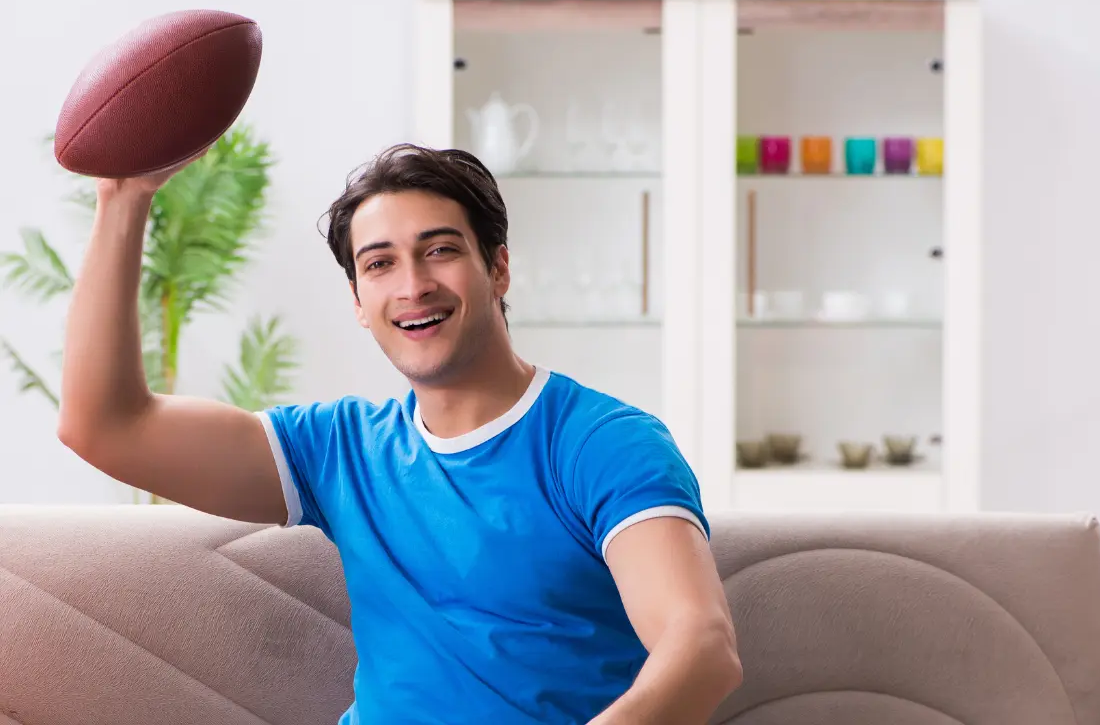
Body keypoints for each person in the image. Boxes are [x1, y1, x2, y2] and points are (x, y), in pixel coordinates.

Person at [57, 142, 742, 724]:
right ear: (359, 301)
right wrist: (124, 196)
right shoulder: (338, 451)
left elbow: (702, 646)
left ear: (497, 267)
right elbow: (105, 427)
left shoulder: (601, 442)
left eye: (439, 250)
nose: (413, 285)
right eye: (380, 264)